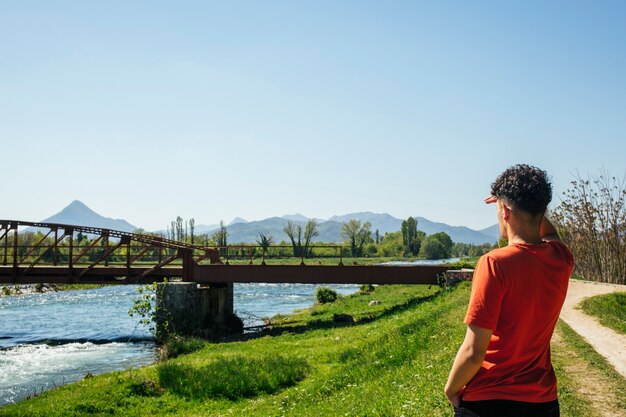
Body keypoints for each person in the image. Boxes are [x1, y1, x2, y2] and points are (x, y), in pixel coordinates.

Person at [444, 164, 574, 417]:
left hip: (490, 402)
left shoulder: (495, 263)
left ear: (504, 211)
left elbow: (474, 352)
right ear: (543, 210)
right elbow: (551, 233)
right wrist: (527, 203)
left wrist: (451, 390)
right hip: (543, 404)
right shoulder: (561, 257)